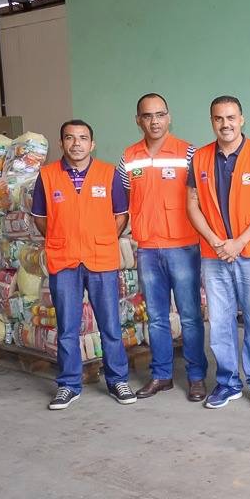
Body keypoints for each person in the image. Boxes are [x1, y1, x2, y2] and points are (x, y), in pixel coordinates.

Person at [32, 119, 136, 410]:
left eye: (82, 138)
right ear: (61, 143)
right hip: (64, 260)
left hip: (101, 259)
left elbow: (121, 214)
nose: (76, 143)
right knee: (67, 327)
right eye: (70, 138)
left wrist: (103, 238)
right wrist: (60, 238)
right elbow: (40, 217)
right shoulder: (47, 176)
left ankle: (117, 380)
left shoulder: (108, 173)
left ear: (92, 144)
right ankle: (68, 385)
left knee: (110, 325)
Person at [186, 95, 250, 410]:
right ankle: (227, 383)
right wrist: (216, 241)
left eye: (231, 118)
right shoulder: (200, 158)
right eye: (219, 118)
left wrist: (240, 241)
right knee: (220, 323)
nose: (225, 124)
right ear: (212, 121)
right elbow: (192, 205)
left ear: (241, 119)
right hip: (214, 255)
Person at [118, 93, 208, 402]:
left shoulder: (188, 153)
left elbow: (201, 197)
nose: (154, 121)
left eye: (159, 115)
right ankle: (161, 375)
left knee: (190, 316)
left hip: (183, 247)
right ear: (138, 120)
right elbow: (124, 200)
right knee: (155, 317)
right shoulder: (129, 157)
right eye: (147, 116)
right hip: (147, 248)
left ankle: (196, 377)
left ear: (169, 117)